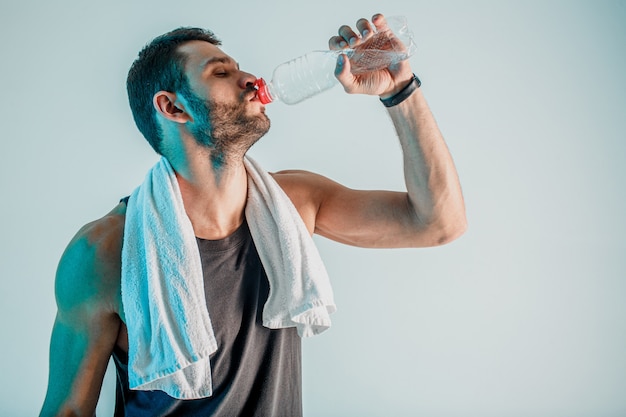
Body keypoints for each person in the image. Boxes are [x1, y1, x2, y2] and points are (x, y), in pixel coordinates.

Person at [40, 13, 466, 417]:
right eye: (220, 73)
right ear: (173, 108)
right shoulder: (104, 252)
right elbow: (69, 409)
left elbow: (438, 223)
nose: (250, 80)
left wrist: (400, 89)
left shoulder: (296, 203)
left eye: (238, 68)